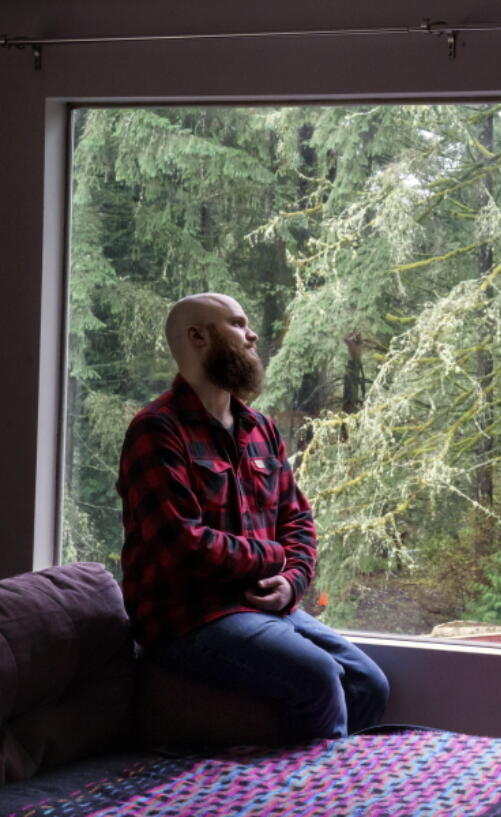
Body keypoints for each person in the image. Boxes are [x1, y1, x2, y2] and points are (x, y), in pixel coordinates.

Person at [116, 292, 389, 741]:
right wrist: (272, 558)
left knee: (368, 683)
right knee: (318, 677)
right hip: (188, 617)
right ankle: (312, 799)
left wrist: (292, 582)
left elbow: (297, 518)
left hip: (260, 605)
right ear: (198, 336)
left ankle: (336, 784)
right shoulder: (156, 429)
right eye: (238, 324)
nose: (252, 334)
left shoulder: (259, 428)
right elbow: (180, 543)